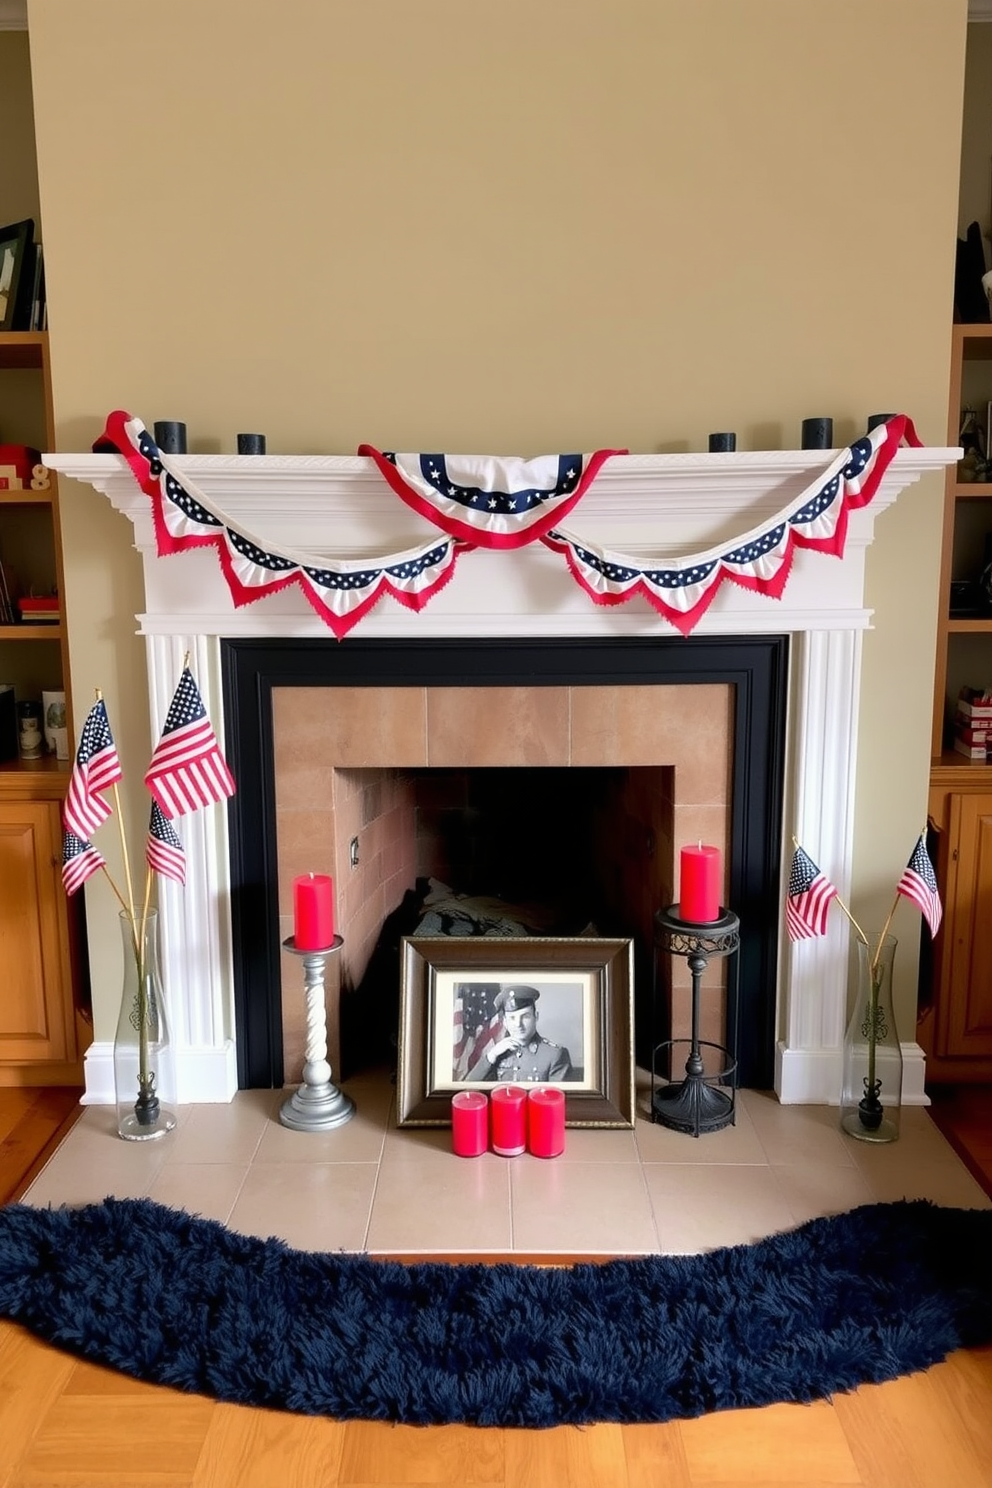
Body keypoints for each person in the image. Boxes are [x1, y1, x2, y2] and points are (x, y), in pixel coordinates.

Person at [467, 985, 573, 1082]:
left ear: (536, 1016)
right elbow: (468, 1088)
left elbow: (557, 1099)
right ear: (505, 1022)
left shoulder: (554, 1055)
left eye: (525, 1016)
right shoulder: (499, 1053)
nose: (518, 1024)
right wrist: (491, 1055)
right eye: (512, 1018)